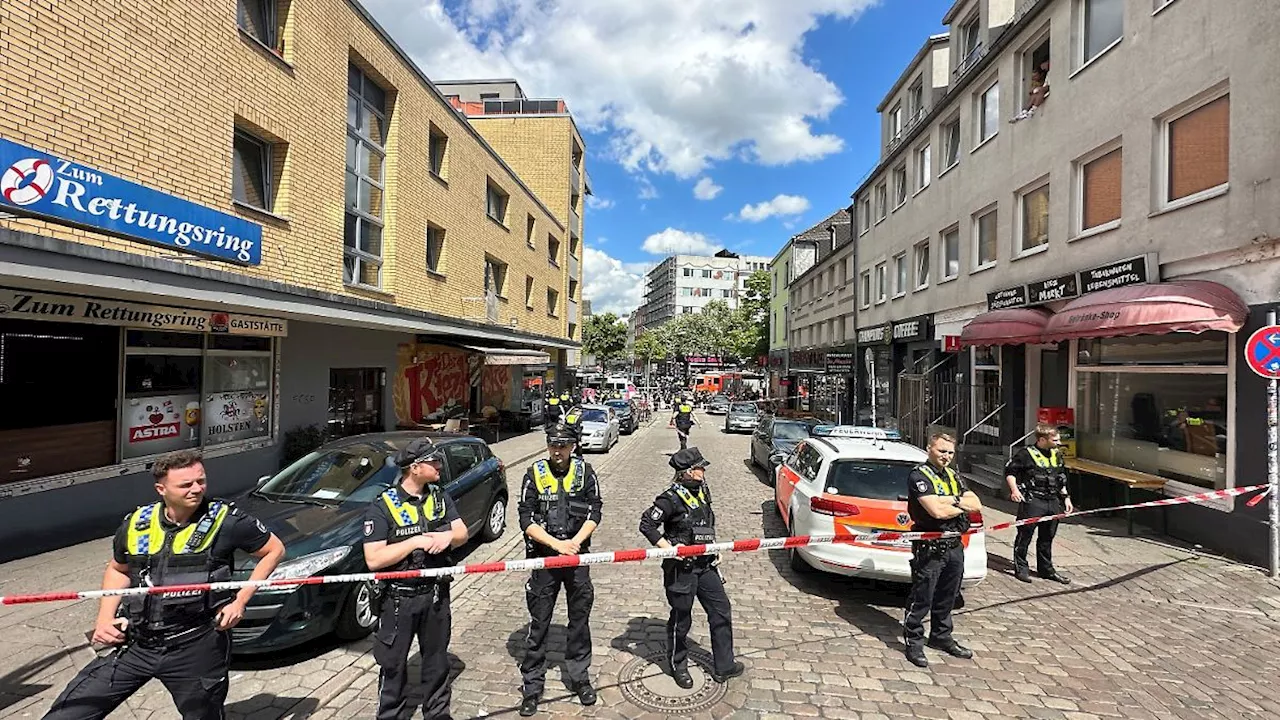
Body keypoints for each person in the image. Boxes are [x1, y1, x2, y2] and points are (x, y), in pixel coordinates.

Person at [44, 450, 285, 720]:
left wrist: (240, 601)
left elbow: (273, 550)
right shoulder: (137, 524)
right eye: (186, 485)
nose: (197, 489)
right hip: (138, 642)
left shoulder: (227, 521)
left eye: (201, 481)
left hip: (196, 645)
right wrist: (104, 618)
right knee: (69, 712)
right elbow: (117, 569)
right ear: (161, 488)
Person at [363, 437, 469, 720]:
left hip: (434, 595)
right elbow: (373, 559)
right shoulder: (383, 506)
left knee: (436, 660)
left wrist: (447, 536)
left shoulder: (439, 496)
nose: (439, 465)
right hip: (398, 599)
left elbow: (462, 533)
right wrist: (415, 542)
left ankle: (436, 712)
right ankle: (391, 714)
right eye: (433, 461)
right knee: (393, 664)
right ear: (414, 467)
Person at [517, 424, 604, 716]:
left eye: (563, 445)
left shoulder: (586, 472)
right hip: (545, 559)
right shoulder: (534, 474)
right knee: (539, 623)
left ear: (573, 446)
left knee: (579, 621)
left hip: (576, 558)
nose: (557, 451)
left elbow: (596, 511)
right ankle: (532, 687)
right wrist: (556, 544)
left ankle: (580, 677)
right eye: (553, 444)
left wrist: (575, 543)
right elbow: (525, 519)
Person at [639, 448, 744, 688]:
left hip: (705, 565)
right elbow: (647, 524)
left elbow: (706, 522)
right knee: (681, 618)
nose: (703, 471)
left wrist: (713, 547)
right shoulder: (669, 499)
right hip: (682, 569)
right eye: (700, 467)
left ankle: (724, 665)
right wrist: (668, 549)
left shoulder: (703, 490)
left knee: (721, 611)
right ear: (687, 472)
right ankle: (678, 665)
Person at [903, 433, 981, 669]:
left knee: (949, 595)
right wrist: (958, 503)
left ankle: (941, 636)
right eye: (941, 451)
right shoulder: (919, 475)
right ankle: (914, 642)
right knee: (922, 596)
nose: (946, 456)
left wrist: (950, 501)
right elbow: (936, 512)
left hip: (954, 544)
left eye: (950, 452)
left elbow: (976, 503)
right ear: (929, 449)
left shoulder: (953, 475)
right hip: (931, 546)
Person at [1006, 424, 1072, 584]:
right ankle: (1021, 568)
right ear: (1042, 439)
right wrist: (1014, 491)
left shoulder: (1057, 454)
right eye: (1055, 439)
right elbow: (1010, 473)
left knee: (1047, 536)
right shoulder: (1025, 454)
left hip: (1052, 500)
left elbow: (1060, 478)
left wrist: (1066, 498)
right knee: (1025, 535)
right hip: (1033, 500)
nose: (1059, 442)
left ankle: (1046, 570)